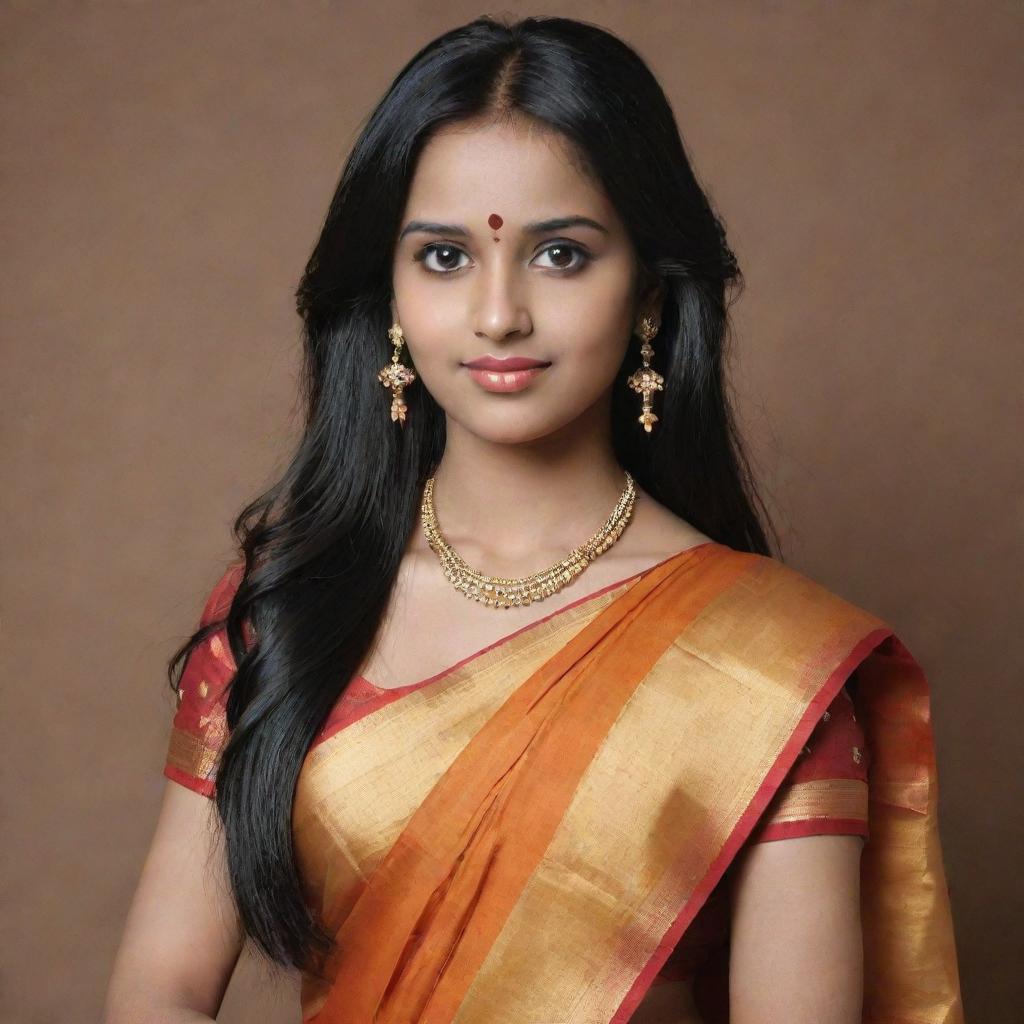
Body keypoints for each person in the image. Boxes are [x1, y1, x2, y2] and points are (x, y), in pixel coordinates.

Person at [103, 14, 962, 1024]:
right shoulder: (288, 608)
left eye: (559, 254)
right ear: (387, 292)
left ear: (645, 292)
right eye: (442, 257)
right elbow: (157, 988)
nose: (498, 313)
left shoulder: (765, 667)